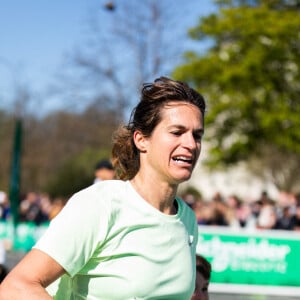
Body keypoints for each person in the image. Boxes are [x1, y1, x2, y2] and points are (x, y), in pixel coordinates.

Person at [0, 76, 206, 299]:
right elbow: (17, 287)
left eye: (197, 135)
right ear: (141, 140)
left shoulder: (188, 220)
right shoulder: (101, 204)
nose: (191, 144)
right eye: (177, 132)